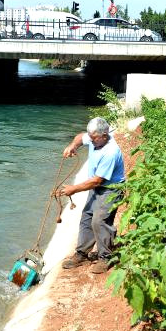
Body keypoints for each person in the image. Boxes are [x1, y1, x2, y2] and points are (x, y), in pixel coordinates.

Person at [57, 117, 125, 274]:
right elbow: (81, 137)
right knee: (87, 217)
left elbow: (97, 181)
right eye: (91, 137)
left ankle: (105, 257)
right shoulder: (95, 137)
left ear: (104, 135)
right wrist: (72, 146)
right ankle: (81, 253)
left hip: (111, 189)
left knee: (99, 221)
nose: (91, 140)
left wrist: (73, 189)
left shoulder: (111, 152)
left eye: (94, 138)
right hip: (97, 187)